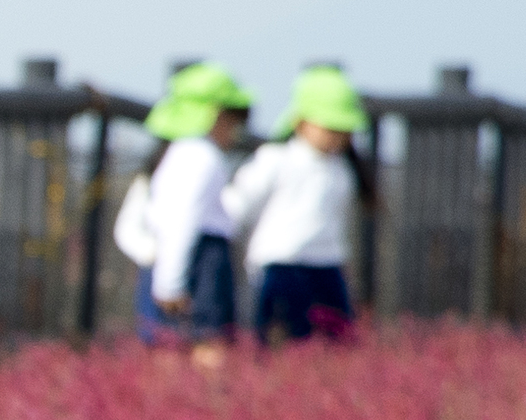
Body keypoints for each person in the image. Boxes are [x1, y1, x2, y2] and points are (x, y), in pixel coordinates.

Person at [229, 67, 364, 344]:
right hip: (282, 264)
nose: (337, 136)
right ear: (300, 122)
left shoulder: (342, 170)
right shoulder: (275, 159)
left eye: (344, 129)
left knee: (336, 342)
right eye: (330, 127)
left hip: (328, 266)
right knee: (282, 340)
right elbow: (238, 204)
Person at [137, 63, 251, 360]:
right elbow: (182, 219)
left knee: (168, 342)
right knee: (206, 342)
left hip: (178, 256)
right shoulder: (201, 157)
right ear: (214, 115)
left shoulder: (180, 153)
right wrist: (171, 282)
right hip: (198, 259)